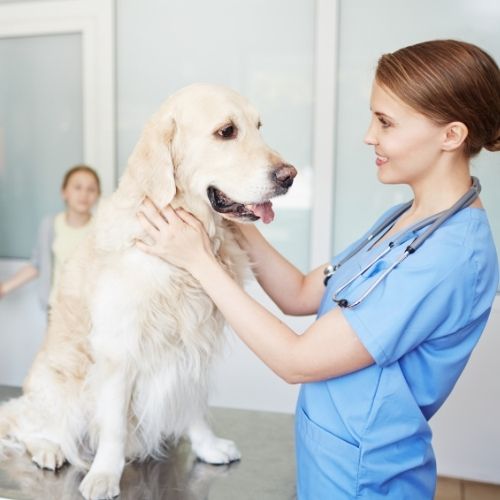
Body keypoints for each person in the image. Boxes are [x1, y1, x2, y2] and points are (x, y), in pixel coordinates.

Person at [135, 39, 500, 499]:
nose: (370, 135)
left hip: (368, 478)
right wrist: (237, 213)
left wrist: (198, 260)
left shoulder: (450, 256)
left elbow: (297, 361)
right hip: (326, 456)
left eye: (385, 122)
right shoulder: (406, 218)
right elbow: (303, 293)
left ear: (451, 135)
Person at [0, 164, 101, 311]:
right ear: (64, 192)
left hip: (92, 310)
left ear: (98, 195)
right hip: (56, 309)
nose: (84, 194)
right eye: (77, 187)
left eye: (91, 189)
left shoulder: (102, 228)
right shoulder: (50, 225)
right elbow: (37, 265)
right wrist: (4, 288)